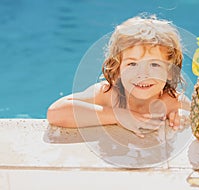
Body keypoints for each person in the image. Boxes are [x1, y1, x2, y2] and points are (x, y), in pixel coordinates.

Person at [47, 15, 190, 138]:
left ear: (171, 72)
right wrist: (118, 116)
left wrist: (181, 116)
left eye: (154, 65)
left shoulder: (173, 101)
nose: (142, 75)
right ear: (118, 69)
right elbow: (56, 113)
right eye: (132, 64)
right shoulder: (109, 95)